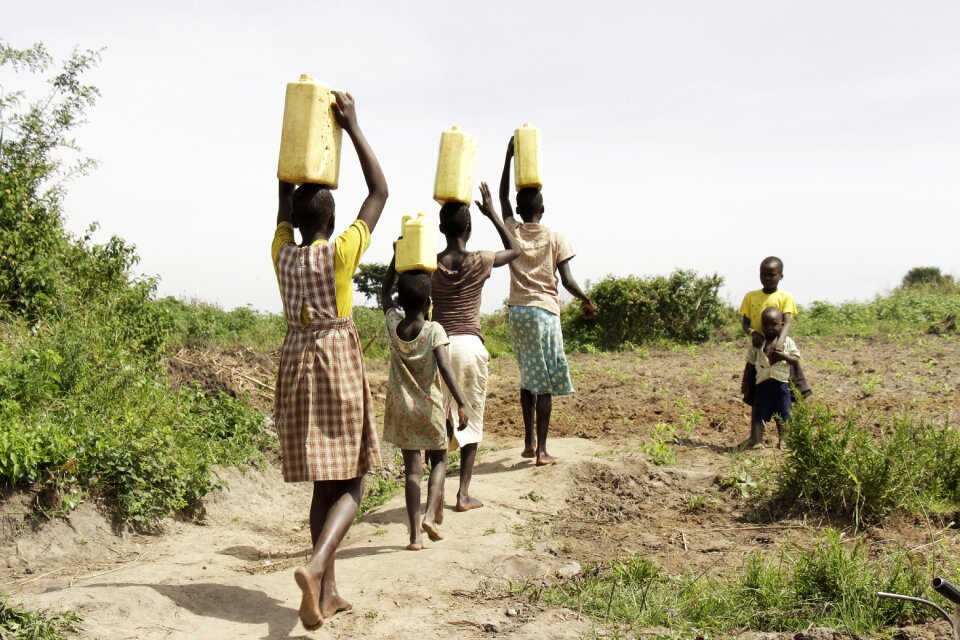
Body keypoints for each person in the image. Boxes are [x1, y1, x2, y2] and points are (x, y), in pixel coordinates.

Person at [272, 91, 388, 630]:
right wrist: (353, 126)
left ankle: (326, 592)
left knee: (325, 482)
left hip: (296, 363)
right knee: (354, 481)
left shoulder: (282, 252)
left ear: (293, 218)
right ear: (333, 217)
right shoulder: (341, 252)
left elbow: (283, 205)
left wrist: (292, 148)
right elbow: (380, 190)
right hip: (337, 361)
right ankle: (317, 565)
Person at [499, 136, 596, 466]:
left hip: (517, 312)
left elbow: (501, 201)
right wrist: (586, 299)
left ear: (520, 210)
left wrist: (509, 157)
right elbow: (567, 281)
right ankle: (541, 451)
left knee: (528, 377)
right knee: (544, 387)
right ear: (542, 209)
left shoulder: (512, 230)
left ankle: (528, 441)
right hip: (544, 313)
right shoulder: (555, 236)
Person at [431, 182, 519, 512]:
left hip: (438, 347)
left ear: (441, 229)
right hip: (470, 346)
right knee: (473, 418)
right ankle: (463, 494)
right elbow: (515, 250)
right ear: (469, 228)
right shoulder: (479, 260)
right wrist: (492, 211)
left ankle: (435, 491)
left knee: (440, 420)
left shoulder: (430, 263)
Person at [380, 257, 470, 550]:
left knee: (412, 472)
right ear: (430, 301)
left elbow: (383, 294)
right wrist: (462, 403)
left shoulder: (394, 325)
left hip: (402, 410)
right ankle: (429, 516)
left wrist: (397, 259)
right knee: (441, 459)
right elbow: (445, 368)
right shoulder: (434, 331)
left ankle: (414, 537)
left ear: (401, 301)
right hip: (430, 408)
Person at [738, 256, 811, 397]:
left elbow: (787, 321)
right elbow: (745, 324)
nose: (766, 278)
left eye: (771, 275)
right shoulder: (750, 296)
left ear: (781, 276)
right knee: (753, 381)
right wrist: (753, 333)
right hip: (760, 345)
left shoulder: (785, 296)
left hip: (781, 345)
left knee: (794, 385)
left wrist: (780, 342)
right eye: (763, 274)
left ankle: (793, 409)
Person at [739, 307, 800, 449]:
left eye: (773, 324)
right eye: (765, 324)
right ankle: (757, 440)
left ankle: (784, 440)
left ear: (782, 325)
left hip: (781, 386)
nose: (769, 328)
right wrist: (745, 383)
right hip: (762, 386)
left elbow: (795, 359)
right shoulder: (758, 343)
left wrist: (784, 356)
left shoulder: (787, 342)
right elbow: (750, 364)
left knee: (784, 413)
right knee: (759, 413)